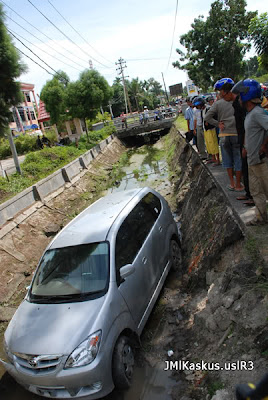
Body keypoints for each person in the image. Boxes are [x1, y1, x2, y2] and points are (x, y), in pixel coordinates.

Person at [232, 79, 268, 226]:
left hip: (261, 161)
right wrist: (246, 146)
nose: (239, 99)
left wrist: (264, 146)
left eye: (240, 96)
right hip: (252, 160)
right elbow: (249, 132)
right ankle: (261, 217)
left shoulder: (258, 113)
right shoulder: (249, 114)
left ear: (247, 96)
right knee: (255, 191)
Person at [204, 78, 243, 191]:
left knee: (227, 161)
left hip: (224, 135)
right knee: (238, 159)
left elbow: (207, 117)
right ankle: (238, 184)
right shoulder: (238, 101)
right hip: (236, 134)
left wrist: (217, 124)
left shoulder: (218, 104)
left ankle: (232, 183)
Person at [203, 96, 220, 165]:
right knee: (209, 145)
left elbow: (214, 118)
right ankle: (213, 158)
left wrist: (209, 121)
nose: (211, 102)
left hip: (212, 128)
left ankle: (217, 160)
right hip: (206, 129)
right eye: (210, 101)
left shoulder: (210, 109)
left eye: (212, 100)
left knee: (214, 144)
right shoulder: (205, 109)